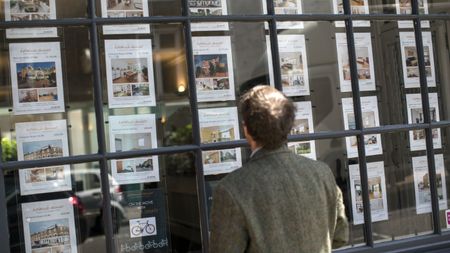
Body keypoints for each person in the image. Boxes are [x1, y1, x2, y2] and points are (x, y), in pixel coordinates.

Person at [209, 85, 349, 253]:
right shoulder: (322, 173)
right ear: (289, 126)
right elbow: (340, 236)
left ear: (246, 129)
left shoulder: (231, 189)